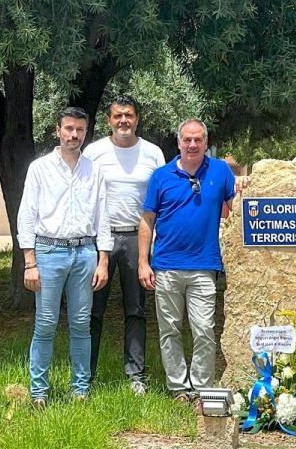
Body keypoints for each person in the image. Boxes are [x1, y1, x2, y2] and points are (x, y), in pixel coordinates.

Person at [18, 106, 111, 408]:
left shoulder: (94, 170)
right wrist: (30, 262)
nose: (74, 135)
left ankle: (80, 390)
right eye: (69, 129)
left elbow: (103, 216)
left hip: (84, 253)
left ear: (86, 132)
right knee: (45, 324)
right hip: (48, 252)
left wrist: (103, 260)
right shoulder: (39, 168)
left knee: (81, 324)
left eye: (80, 130)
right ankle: (38, 393)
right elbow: (27, 216)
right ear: (57, 130)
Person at [138, 118, 235, 401]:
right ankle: (179, 388)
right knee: (170, 331)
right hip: (166, 267)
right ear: (178, 142)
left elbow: (237, 211)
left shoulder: (220, 171)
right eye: (187, 140)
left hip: (205, 266)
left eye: (198, 140)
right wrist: (144, 262)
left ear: (206, 142)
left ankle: (203, 387)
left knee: (204, 329)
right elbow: (147, 221)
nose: (192, 145)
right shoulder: (161, 176)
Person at [83, 96, 165, 395]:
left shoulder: (153, 153)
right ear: (109, 120)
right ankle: (85, 376)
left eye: (129, 115)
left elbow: (162, 198)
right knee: (92, 311)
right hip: (98, 240)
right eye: (117, 116)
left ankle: (136, 376)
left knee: (136, 310)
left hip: (136, 239)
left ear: (137, 119)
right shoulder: (94, 152)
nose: (123, 121)